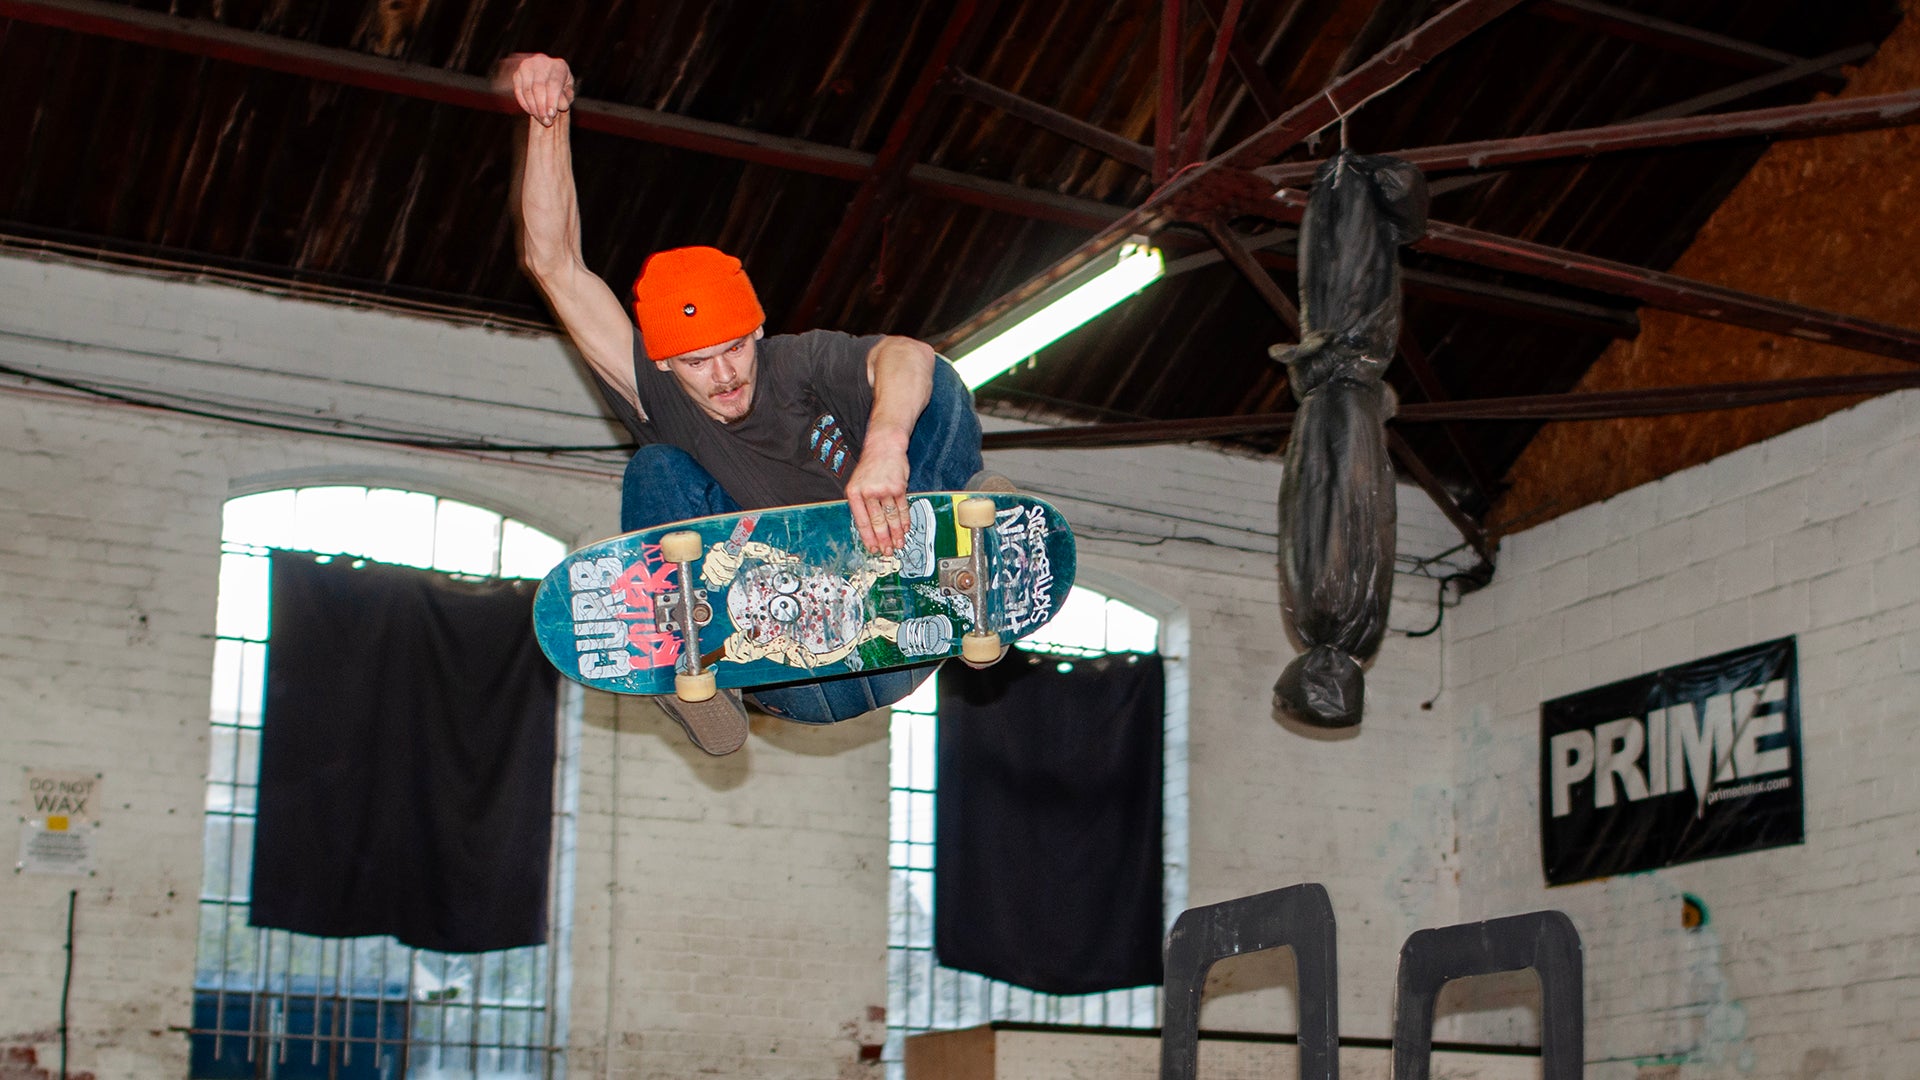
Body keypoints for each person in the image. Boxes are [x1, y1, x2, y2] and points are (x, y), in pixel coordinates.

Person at [503, 53, 1005, 755]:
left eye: (735, 349)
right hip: (788, 665)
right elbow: (555, 264)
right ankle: (692, 668)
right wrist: (546, 121)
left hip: (900, 628)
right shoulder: (657, 393)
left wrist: (885, 448)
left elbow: (908, 358)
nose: (723, 377)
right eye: (697, 364)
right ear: (665, 363)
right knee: (655, 467)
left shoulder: (799, 362)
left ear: (758, 331)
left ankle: (964, 543)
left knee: (925, 370)